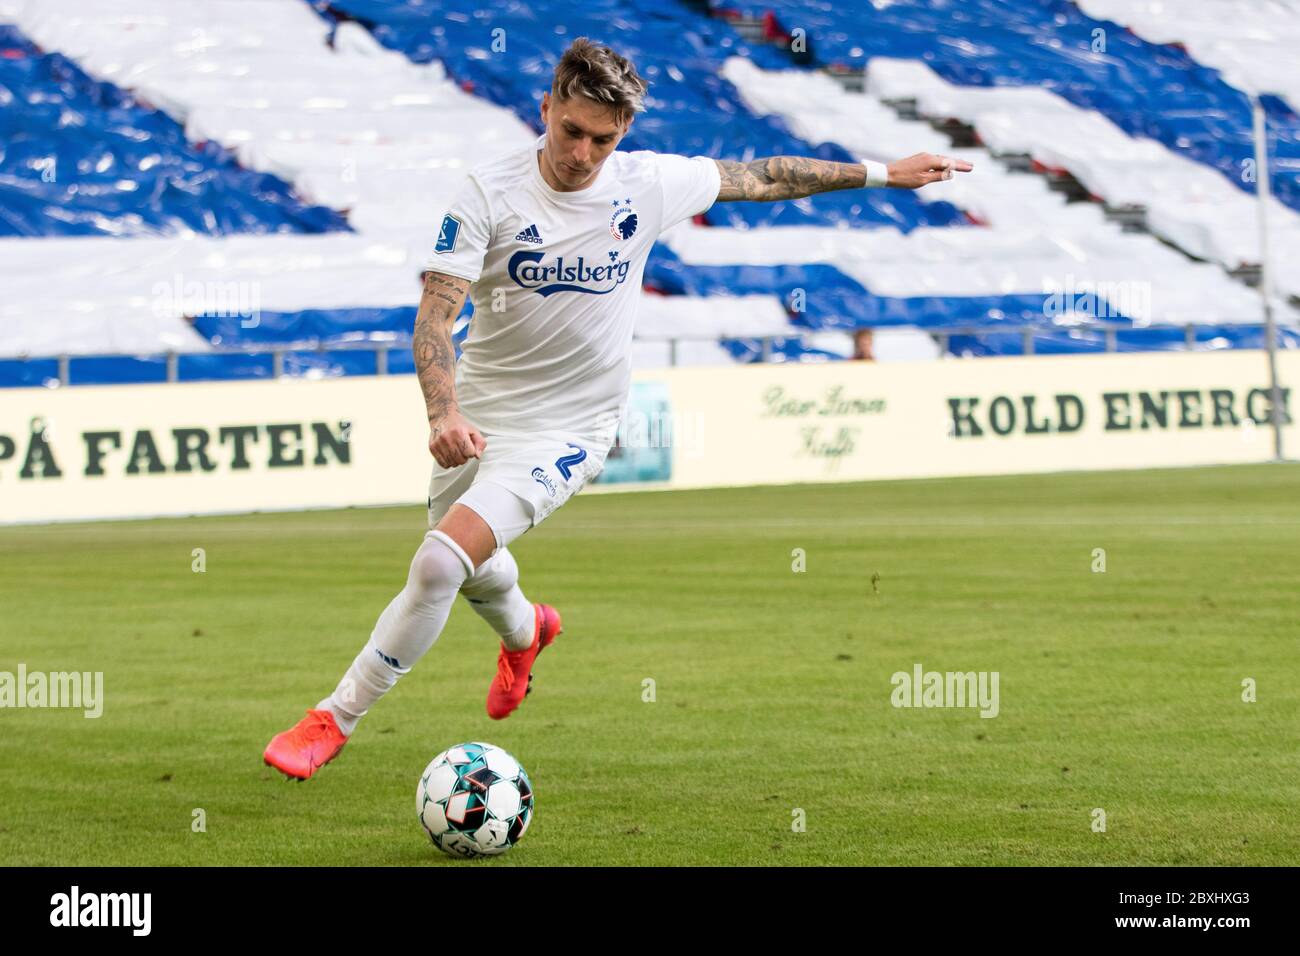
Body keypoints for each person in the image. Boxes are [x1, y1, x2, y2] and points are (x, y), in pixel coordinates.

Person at [263, 37, 972, 779]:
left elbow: (764, 177)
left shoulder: (647, 184)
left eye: (603, 139)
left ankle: (332, 720)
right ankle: (527, 632)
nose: (583, 153)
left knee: (440, 562)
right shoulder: (487, 193)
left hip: (573, 425)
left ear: (623, 134)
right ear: (545, 110)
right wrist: (443, 414)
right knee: (471, 567)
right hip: (478, 417)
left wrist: (886, 173)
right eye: (571, 132)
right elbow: (435, 316)